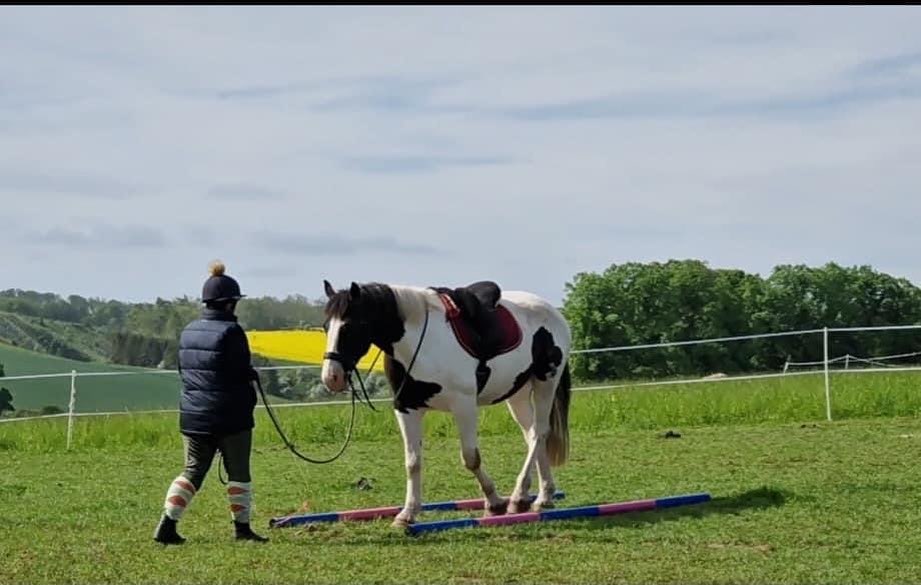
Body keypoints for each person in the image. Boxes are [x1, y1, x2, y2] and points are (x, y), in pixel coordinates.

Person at [153, 260, 268, 544]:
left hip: (193, 414)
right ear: (229, 304)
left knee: (192, 470)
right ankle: (242, 530)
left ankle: (167, 525)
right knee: (239, 471)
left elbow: (185, 370)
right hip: (230, 415)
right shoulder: (232, 332)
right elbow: (239, 371)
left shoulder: (189, 329)